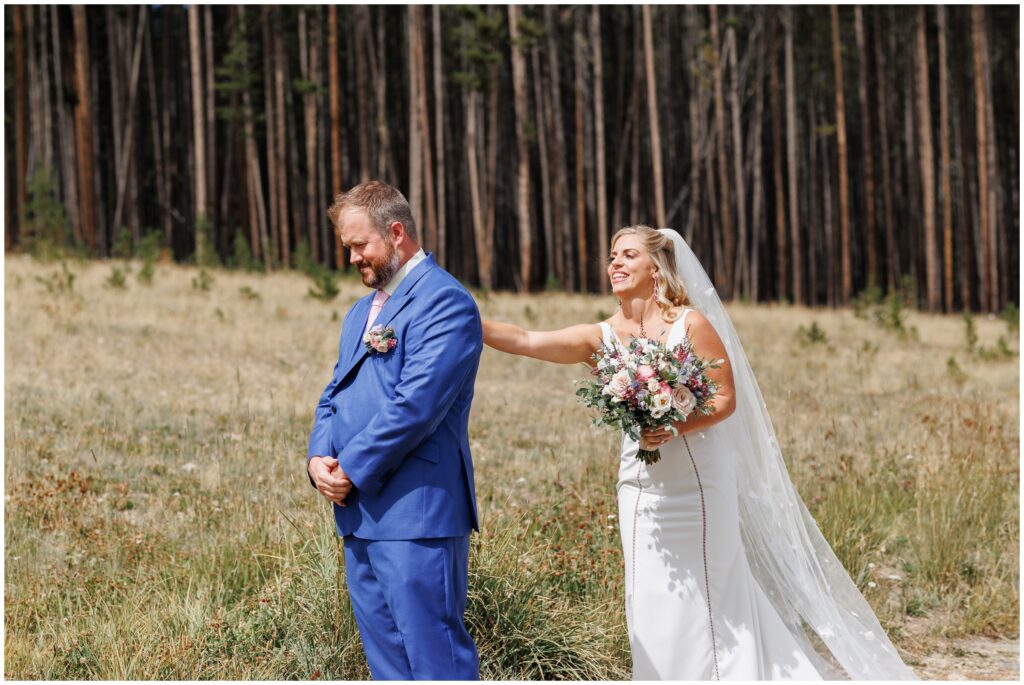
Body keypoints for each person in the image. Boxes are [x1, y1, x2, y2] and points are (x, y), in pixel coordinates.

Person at [482, 225, 916, 680]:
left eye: (628, 255)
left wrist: (670, 423)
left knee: (713, 594)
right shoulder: (601, 337)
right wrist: (458, 312)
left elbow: (724, 398)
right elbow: (526, 338)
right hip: (639, 489)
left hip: (697, 487)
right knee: (648, 595)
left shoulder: (690, 325)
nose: (615, 263)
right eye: (612, 256)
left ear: (656, 267)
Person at [306, 181, 482, 680]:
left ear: (397, 232)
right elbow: (334, 391)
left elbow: (416, 406)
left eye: (360, 245)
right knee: (387, 665)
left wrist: (352, 468)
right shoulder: (362, 310)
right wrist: (319, 458)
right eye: (347, 248)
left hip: (416, 514)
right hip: (359, 514)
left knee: (434, 660)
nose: (353, 257)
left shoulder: (445, 302)